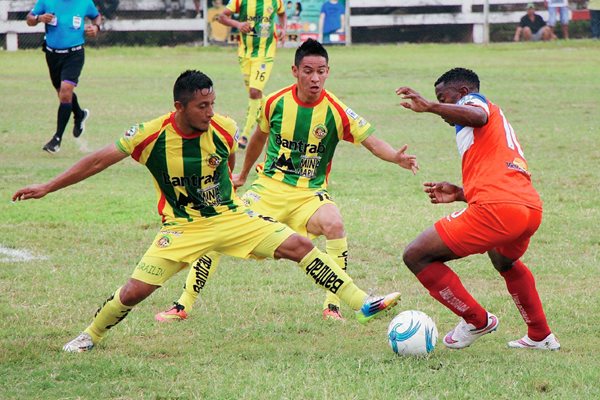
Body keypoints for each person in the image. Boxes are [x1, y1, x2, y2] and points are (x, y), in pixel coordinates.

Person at [12, 70, 402, 353]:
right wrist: (47, 187)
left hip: (232, 219)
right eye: (201, 106)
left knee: (299, 245)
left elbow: (229, 155)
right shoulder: (149, 135)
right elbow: (97, 162)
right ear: (179, 106)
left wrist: (232, 177)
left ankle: (361, 303)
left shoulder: (224, 127)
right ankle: (91, 336)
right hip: (181, 228)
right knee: (134, 292)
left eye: (212, 103)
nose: (210, 112)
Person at [155, 40, 419, 323]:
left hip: (309, 194)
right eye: (308, 71)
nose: (315, 78)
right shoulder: (275, 102)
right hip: (268, 190)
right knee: (216, 232)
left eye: (321, 71)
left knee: (334, 223)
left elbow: (371, 141)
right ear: (295, 70)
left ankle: (333, 307)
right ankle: (182, 305)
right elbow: (258, 137)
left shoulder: (336, 110)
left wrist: (395, 157)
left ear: (328, 72)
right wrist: (243, 175)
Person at [396, 67, 560, 351]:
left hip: (498, 209)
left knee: (416, 255)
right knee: (503, 260)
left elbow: (478, 114)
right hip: (528, 207)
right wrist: (461, 193)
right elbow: (499, 172)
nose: (443, 105)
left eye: (443, 96)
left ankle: (477, 320)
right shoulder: (488, 124)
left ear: (461, 93)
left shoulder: (475, 103)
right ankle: (540, 335)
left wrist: (431, 106)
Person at [27, 0, 101, 154]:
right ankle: (79, 114)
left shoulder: (84, 2)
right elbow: (30, 20)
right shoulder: (46, 1)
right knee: (62, 94)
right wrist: (39, 19)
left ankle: (56, 139)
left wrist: (96, 27)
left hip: (75, 54)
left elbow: (96, 16)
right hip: (52, 55)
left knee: (66, 92)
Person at [218, 0, 287, 150]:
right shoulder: (240, 1)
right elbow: (221, 17)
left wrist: (283, 29)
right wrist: (238, 25)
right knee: (256, 94)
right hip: (245, 55)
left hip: (265, 54)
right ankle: (276, 112)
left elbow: (282, 14)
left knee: (254, 92)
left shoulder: (276, 1)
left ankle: (245, 135)